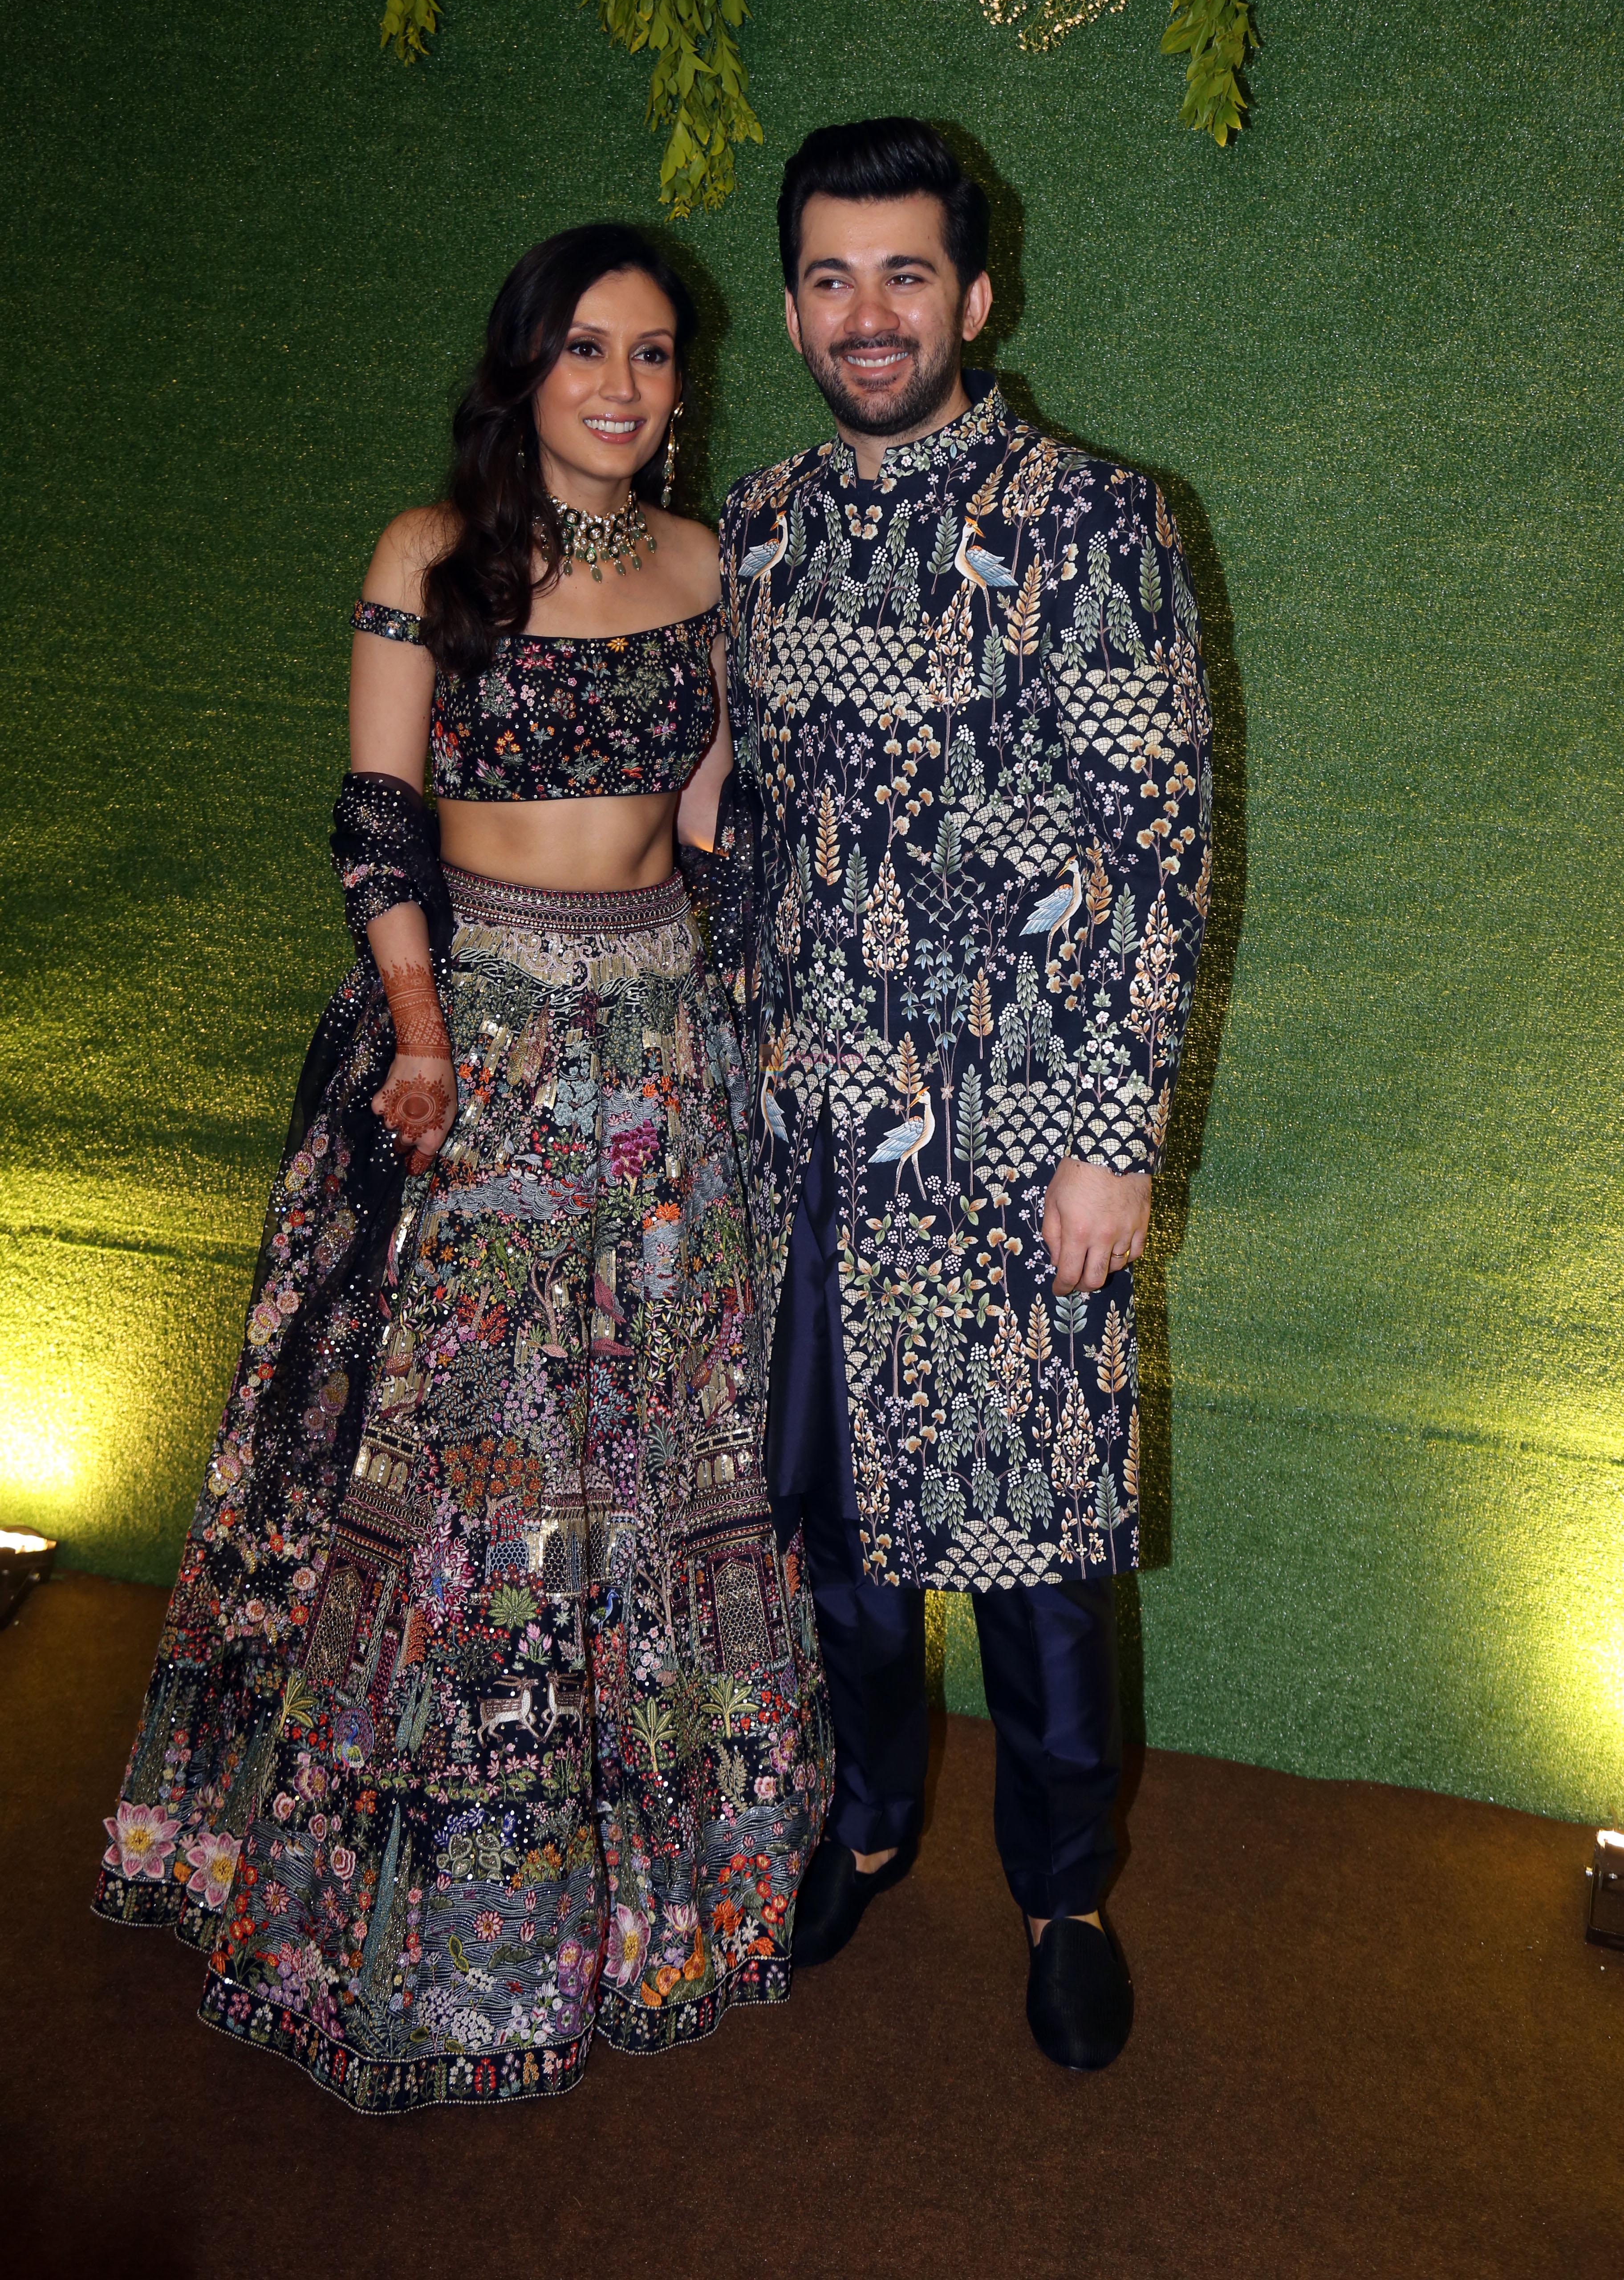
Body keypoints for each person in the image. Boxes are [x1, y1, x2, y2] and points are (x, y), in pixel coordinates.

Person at [93, 225, 832, 2113]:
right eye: (588, 348)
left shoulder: (708, 568)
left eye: (657, 356)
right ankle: (377, 1916)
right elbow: (374, 813)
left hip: (657, 1059)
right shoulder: (429, 556)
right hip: (472, 1048)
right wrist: (422, 1031)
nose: (623, 384)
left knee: (647, 1456)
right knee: (449, 1474)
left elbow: (711, 819)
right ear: (524, 369)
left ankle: (647, 1907)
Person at [712, 119, 1211, 2070]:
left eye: (906, 274)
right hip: (802, 1127)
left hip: (1012, 1140)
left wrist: (1111, 1138)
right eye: (831, 277)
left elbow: (1148, 840)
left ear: (977, 296)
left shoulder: (1096, 522)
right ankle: (868, 1818)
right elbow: (729, 812)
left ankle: (1063, 1890)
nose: (868, 315)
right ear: (792, 303)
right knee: (837, 1532)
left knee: (1041, 1561)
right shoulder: (751, 525)